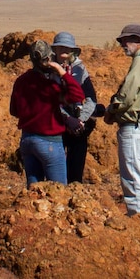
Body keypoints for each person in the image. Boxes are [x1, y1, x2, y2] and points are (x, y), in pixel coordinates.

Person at [10, 40, 85, 186]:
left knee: (34, 191)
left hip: (27, 140)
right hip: (50, 142)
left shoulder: (21, 81)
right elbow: (77, 95)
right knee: (58, 191)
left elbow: (14, 111)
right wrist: (62, 72)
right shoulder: (49, 86)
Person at [103, 24, 140, 215]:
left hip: (134, 126)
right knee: (139, 174)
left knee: (133, 176)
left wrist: (111, 109)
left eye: (126, 40)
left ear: (139, 41)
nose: (122, 44)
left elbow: (128, 93)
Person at [52, 31, 100, 184]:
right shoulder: (48, 70)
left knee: (76, 171)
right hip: (56, 125)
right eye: (61, 47)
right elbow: (48, 101)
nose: (64, 51)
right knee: (55, 173)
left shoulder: (80, 69)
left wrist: (80, 120)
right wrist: (67, 118)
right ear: (55, 50)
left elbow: (91, 98)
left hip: (78, 127)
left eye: (67, 47)